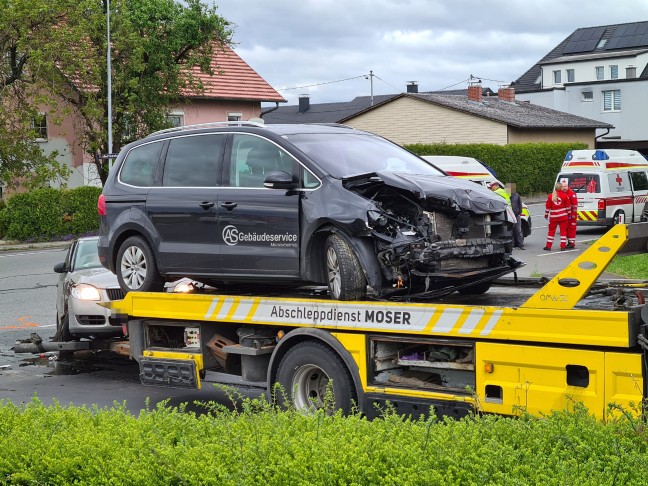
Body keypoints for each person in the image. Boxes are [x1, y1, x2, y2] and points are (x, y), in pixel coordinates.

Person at [544, 182, 572, 251]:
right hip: (563, 217)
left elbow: (548, 207)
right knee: (563, 232)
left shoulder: (551, 196)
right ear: (561, 188)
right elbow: (568, 207)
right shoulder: (565, 196)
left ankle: (548, 246)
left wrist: (546, 214)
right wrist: (569, 215)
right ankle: (563, 246)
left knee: (551, 231)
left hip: (554, 217)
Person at [561, 180, 578, 249]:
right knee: (566, 229)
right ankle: (569, 242)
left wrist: (573, 214)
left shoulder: (572, 193)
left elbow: (574, 205)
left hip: (571, 215)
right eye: (563, 187)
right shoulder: (562, 193)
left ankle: (572, 243)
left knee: (571, 229)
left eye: (565, 186)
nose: (564, 188)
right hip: (565, 215)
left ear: (567, 186)